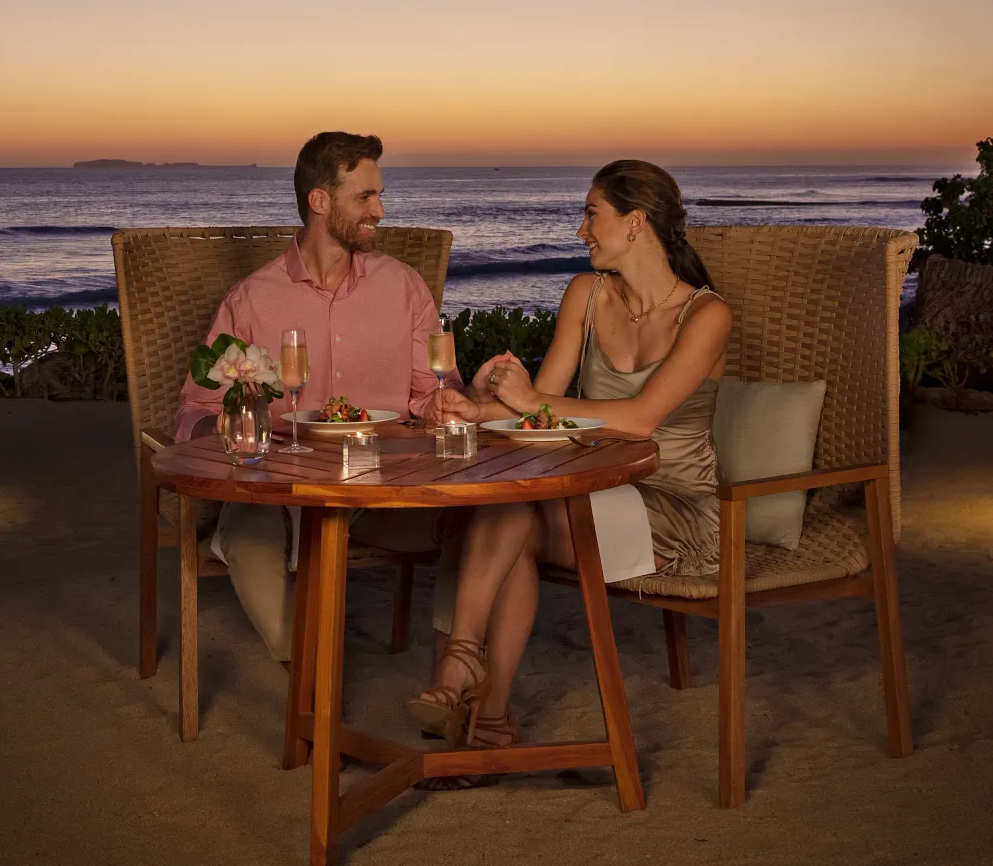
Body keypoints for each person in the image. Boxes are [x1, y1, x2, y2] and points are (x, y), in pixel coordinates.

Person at [409, 159, 728, 759]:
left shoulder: (707, 315)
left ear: (634, 223)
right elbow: (540, 409)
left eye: (591, 214)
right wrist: (476, 409)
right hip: (585, 490)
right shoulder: (586, 294)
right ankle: (482, 698)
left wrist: (533, 401)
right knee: (511, 511)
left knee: (508, 514)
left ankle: (467, 682)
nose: (581, 230)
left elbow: (640, 420)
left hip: (671, 506)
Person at [175, 131, 449, 663]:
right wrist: (230, 431)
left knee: (483, 521)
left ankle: (456, 673)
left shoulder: (404, 287)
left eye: (380, 195)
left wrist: (452, 401)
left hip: (382, 483)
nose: (380, 210)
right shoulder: (254, 298)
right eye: (365, 197)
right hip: (281, 485)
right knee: (248, 540)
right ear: (319, 201)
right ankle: (308, 680)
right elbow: (196, 407)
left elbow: (430, 394)